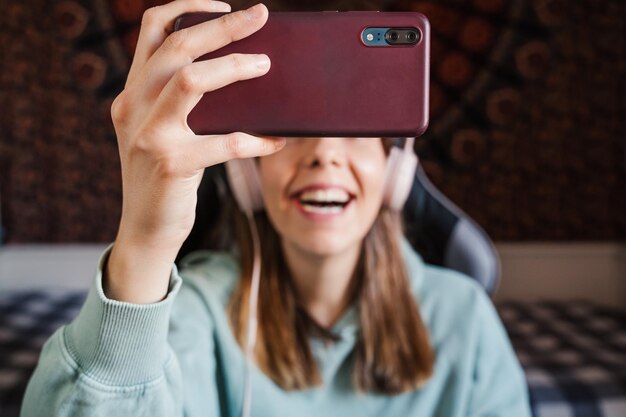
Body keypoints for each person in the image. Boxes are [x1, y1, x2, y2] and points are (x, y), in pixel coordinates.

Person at [21, 1, 531, 416]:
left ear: (395, 173)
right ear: (247, 175)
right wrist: (144, 242)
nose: (325, 153)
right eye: (294, 131)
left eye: (354, 134)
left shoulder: (465, 318)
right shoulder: (198, 308)